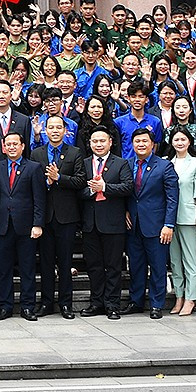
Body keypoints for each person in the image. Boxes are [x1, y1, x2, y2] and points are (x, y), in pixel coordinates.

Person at [75, 126, 130, 319]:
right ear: (89, 144)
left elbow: (127, 187)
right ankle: (96, 302)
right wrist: (91, 191)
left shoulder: (121, 163)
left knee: (113, 266)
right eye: (95, 141)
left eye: (102, 141)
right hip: (90, 224)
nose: (98, 144)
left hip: (113, 223)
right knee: (94, 266)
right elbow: (78, 191)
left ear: (110, 142)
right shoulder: (83, 163)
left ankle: (112, 304)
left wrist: (104, 187)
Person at [123, 126, 177, 318]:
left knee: (157, 266)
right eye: (137, 141)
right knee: (136, 266)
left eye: (145, 141)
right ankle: (135, 301)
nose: (141, 144)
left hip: (157, 226)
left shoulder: (164, 166)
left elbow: (172, 198)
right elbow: (124, 193)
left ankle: (156, 304)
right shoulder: (126, 164)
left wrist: (168, 224)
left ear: (152, 144)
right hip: (133, 225)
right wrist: (125, 212)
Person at [32, 114, 82, 318]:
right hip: (44, 216)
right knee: (45, 262)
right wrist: (47, 182)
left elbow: (80, 181)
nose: (54, 131)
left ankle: (66, 304)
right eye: (50, 127)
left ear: (65, 130)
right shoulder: (37, 154)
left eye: (58, 127)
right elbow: (33, 183)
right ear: (45, 130)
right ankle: (46, 303)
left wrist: (59, 178)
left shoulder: (75, 152)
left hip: (66, 216)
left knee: (65, 262)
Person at [0, 130, 45, 320]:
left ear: (23, 146)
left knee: (27, 268)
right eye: (9, 144)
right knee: (4, 269)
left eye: (16, 144)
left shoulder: (33, 167)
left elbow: (39, 199)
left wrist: (38, 224)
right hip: (3, 225)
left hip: (26, 226)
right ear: (3, 147)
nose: (12, 147)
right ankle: (5, 306)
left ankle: (27, 307)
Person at [166, 126, 196, 317]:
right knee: (175, 261)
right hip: (170, 218)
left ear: (189, 141)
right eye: (176, 140)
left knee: (190, 261)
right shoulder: (167, 163)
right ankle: (179, 296)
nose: (179, 143)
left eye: (183, 139)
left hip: (189, 217)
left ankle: (191, 298)